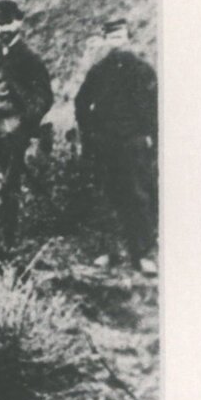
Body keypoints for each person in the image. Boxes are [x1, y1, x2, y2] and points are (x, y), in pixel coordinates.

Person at [74, 18, 158, 273]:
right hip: (105, 141)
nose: (117, 42)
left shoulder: (143, 69)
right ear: (106, 41)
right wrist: (89, 133)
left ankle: (143, 253)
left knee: (138, 195)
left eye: (120, 37)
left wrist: (149, 136)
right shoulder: (99, 70)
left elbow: (153, 106)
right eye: (112, 38)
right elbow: (81, 102)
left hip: (133, 140)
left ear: (128, 39)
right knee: (106, 195)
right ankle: (108, 251)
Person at [0, 0, 54, 230]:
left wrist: (23, 121)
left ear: (19, 22)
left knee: (9, 186)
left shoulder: (30, 58)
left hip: (14, 129)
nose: (3, 29)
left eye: (7, 23)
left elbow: (44, 97)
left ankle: (8, 238)